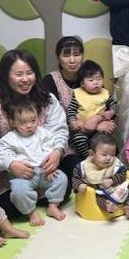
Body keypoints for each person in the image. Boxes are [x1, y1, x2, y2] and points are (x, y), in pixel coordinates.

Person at [0, 49, 68, 217]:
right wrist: (10, 164)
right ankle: (31, 204)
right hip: (9, 176)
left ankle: (45, 201)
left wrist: (57, 152)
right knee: (7, 208)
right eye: (18, 74)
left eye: (29, 73)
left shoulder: (47, 98)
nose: (25, 79)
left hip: (45, 170)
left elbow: (59, 130)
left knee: (65, 184)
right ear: (5, 76)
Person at [0, 100, 68, 225]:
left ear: (38, 118)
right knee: (19, 191)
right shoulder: (9, 139)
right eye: (23, 122)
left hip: (44, 170)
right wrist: (14, 163)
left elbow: (50, 147)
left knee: (61, 178)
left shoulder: (42, 133)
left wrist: (49, 167)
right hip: (23, 175)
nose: (29, 125)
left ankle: (53, 205)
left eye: (33, 121)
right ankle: (31, 213)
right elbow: (4, 154)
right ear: (13, 122)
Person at [42, 36, 87, 193]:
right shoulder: (50, 81)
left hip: (90, 139)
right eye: (66, 55)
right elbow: (48, 120)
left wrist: (103, 118)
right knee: (82, 171)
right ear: (58, 58)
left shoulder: (89, 76)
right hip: (63, 144)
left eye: (77, 54)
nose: (72, 60)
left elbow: (103, 102)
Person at [66, 60, 117, 159]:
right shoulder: (78, 94)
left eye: (99, 79)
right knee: (78, 139)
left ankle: (102, 157)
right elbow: (71, 110)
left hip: (100, 127)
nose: (96, 83)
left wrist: (111, 112)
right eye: (91, 80)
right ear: (82, 83)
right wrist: (72, 121)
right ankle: (89, 157)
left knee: (106, 139)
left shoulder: (105, 93)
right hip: (82, 128)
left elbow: (114, 104)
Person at [73, 133, 129, 214]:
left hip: (115, 187)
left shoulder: (115, 165)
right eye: (104, 154)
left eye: (112, 155)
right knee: (97, 198)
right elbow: (75, 177)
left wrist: (112, 180)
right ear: (92, 154)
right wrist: (79, 185)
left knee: (128, 190)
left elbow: (123, 174)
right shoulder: (83, 167)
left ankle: (127, 206)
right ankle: (108, 205)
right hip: (97, 191)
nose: (109, 158)